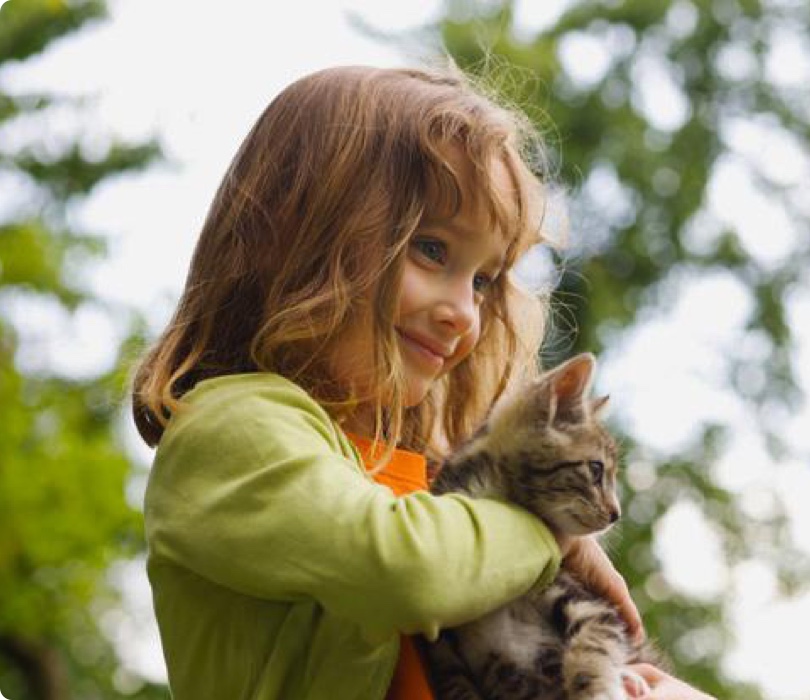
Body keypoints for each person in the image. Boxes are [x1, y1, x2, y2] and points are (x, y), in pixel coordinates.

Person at [133, 63, 713, 699]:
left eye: (484, 280)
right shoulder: (229, 428)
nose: (464, 312)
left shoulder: (413, 475)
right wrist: (550, 534)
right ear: (304, 234)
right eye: (432, 250)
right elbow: (404, 571)